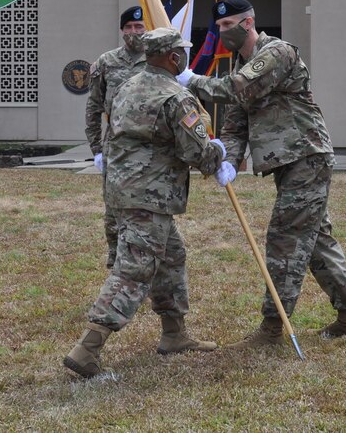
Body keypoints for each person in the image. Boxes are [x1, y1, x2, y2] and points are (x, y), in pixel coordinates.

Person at [178, 0, 346, 348]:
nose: (221, 33)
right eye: (218, 27)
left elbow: (234, 90)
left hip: (307, 156)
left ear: (247, 23)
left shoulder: (276, 53)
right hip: (287, 161)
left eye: (226, 26)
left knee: (286, 237)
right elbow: (235, 122)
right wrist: (228, 160)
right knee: (315, 240)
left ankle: (272, 327)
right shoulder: (240, 62)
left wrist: (188, 79)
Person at [64, 28, 227, 379]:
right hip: (150, 196)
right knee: (134, 270)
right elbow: (196, 152)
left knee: (171, 257)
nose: (184, 56)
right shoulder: (175, 97)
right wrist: (219, 156)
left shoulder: (127, 86)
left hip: (123, 191)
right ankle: (88, 348)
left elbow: (110, 130)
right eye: (182, 51)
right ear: (173, 57)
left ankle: (174, 334)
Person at [84, 6, 148, 268]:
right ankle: (116, 263)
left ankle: (146, 262)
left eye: (139, 27)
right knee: (113, 212)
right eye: (129, 28)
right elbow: (93, 106)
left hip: (150, 147)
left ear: (147, 29)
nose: (134, 32)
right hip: (116, 148)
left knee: (147, 210)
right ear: (122, 31)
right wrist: (97, 149)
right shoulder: (106, 62)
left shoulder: (158, 60)